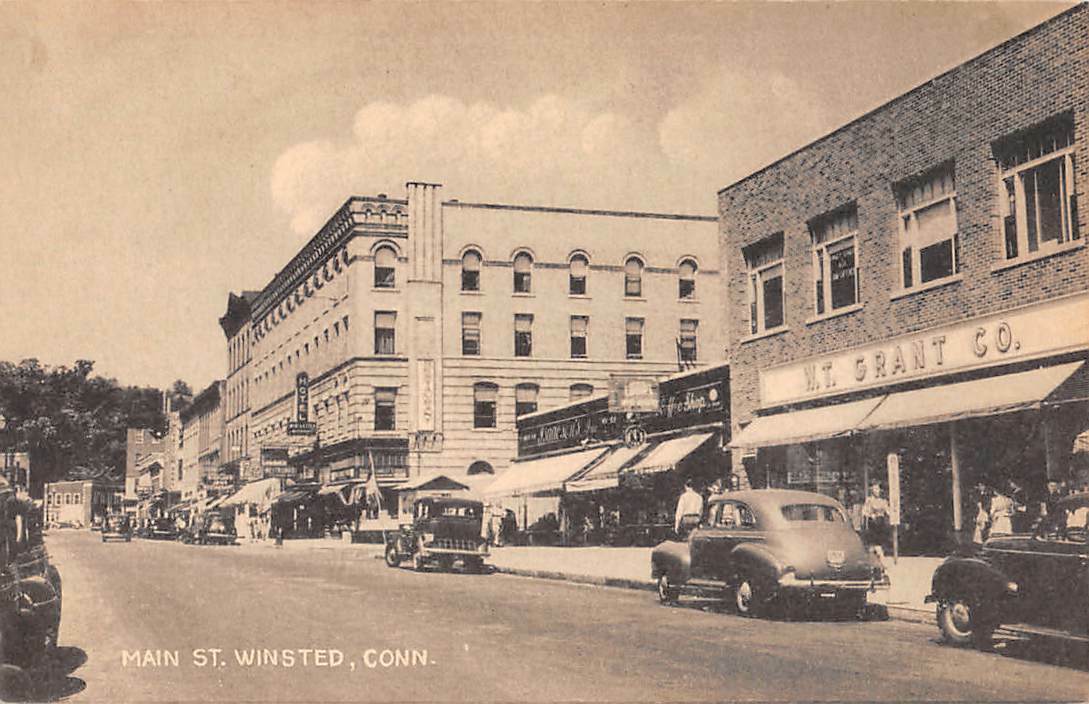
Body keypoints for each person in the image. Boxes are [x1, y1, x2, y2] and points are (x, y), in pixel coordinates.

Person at [861, 483, 891, 560]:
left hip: (881, 521)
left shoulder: (883, 501)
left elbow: (887, 511)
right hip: (873, 522)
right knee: (874, 540)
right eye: (875, 489)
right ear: (872, 490)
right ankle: (879, 555)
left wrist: (891, 514)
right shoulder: (869, 500)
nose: (877, 491)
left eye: (878, 489)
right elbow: (864, 511)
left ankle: (877, 553)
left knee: (880, 539)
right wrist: (871, 515)